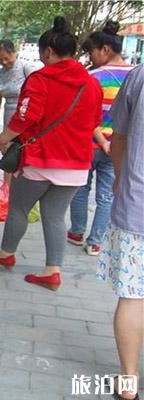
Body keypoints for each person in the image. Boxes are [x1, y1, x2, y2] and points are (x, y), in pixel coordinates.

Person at [0, 17, 103, 291]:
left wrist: (3, 138)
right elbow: (95, 120)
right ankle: (52, 270)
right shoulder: (90, 83)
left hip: (41, 159)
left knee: (19, 208)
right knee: (55, 215)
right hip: (77, 164)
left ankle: (6, 253)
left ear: (48, 51)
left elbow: (27, 115)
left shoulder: (42, 78)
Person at [96, 64, 143, 400]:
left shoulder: (139, 75)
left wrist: (120, 180)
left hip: (138, 202)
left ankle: (128, 382)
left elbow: (120, 138)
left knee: (133, 294)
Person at [68, 21, 134, 256]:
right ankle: (95, 242)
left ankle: (76, 232)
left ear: (105, 49)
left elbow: (85, 115)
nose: (91, 57)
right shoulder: (136, 76)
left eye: (91, 52)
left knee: (81, 189)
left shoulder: (91, 77)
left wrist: (101, 139)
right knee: (106, 194)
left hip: (89, 143)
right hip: (117, 147)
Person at [0, 39, 38, 185]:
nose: (4, 62)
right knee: (10, 155)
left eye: (6, 57)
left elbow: (38, 94)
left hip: (27, 116)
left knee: (26, 154)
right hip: (10, 115)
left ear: (14, 53)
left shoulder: (26, 67)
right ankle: (7, 192)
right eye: (0, 59)